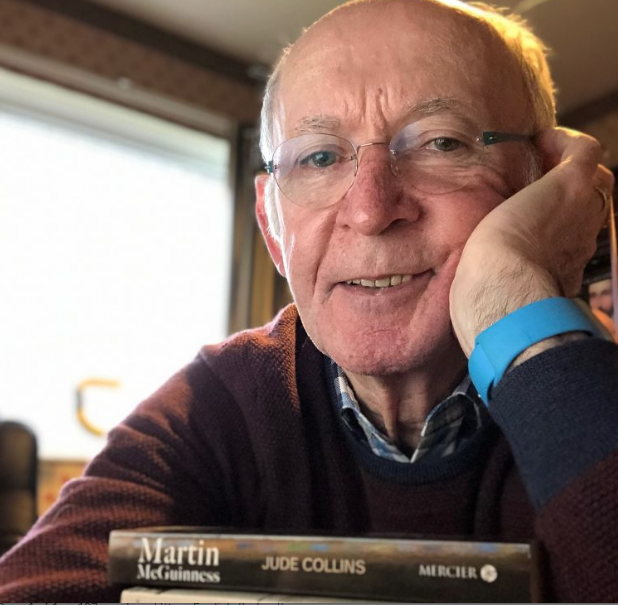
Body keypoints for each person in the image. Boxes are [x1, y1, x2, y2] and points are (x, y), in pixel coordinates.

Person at [1, 0, 617, 601]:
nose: (370, 211)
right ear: (273, 228)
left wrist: (517, 313)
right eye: (319, 157)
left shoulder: (590, 390)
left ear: (543, 186)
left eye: (442, 143)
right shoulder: (225, 399)